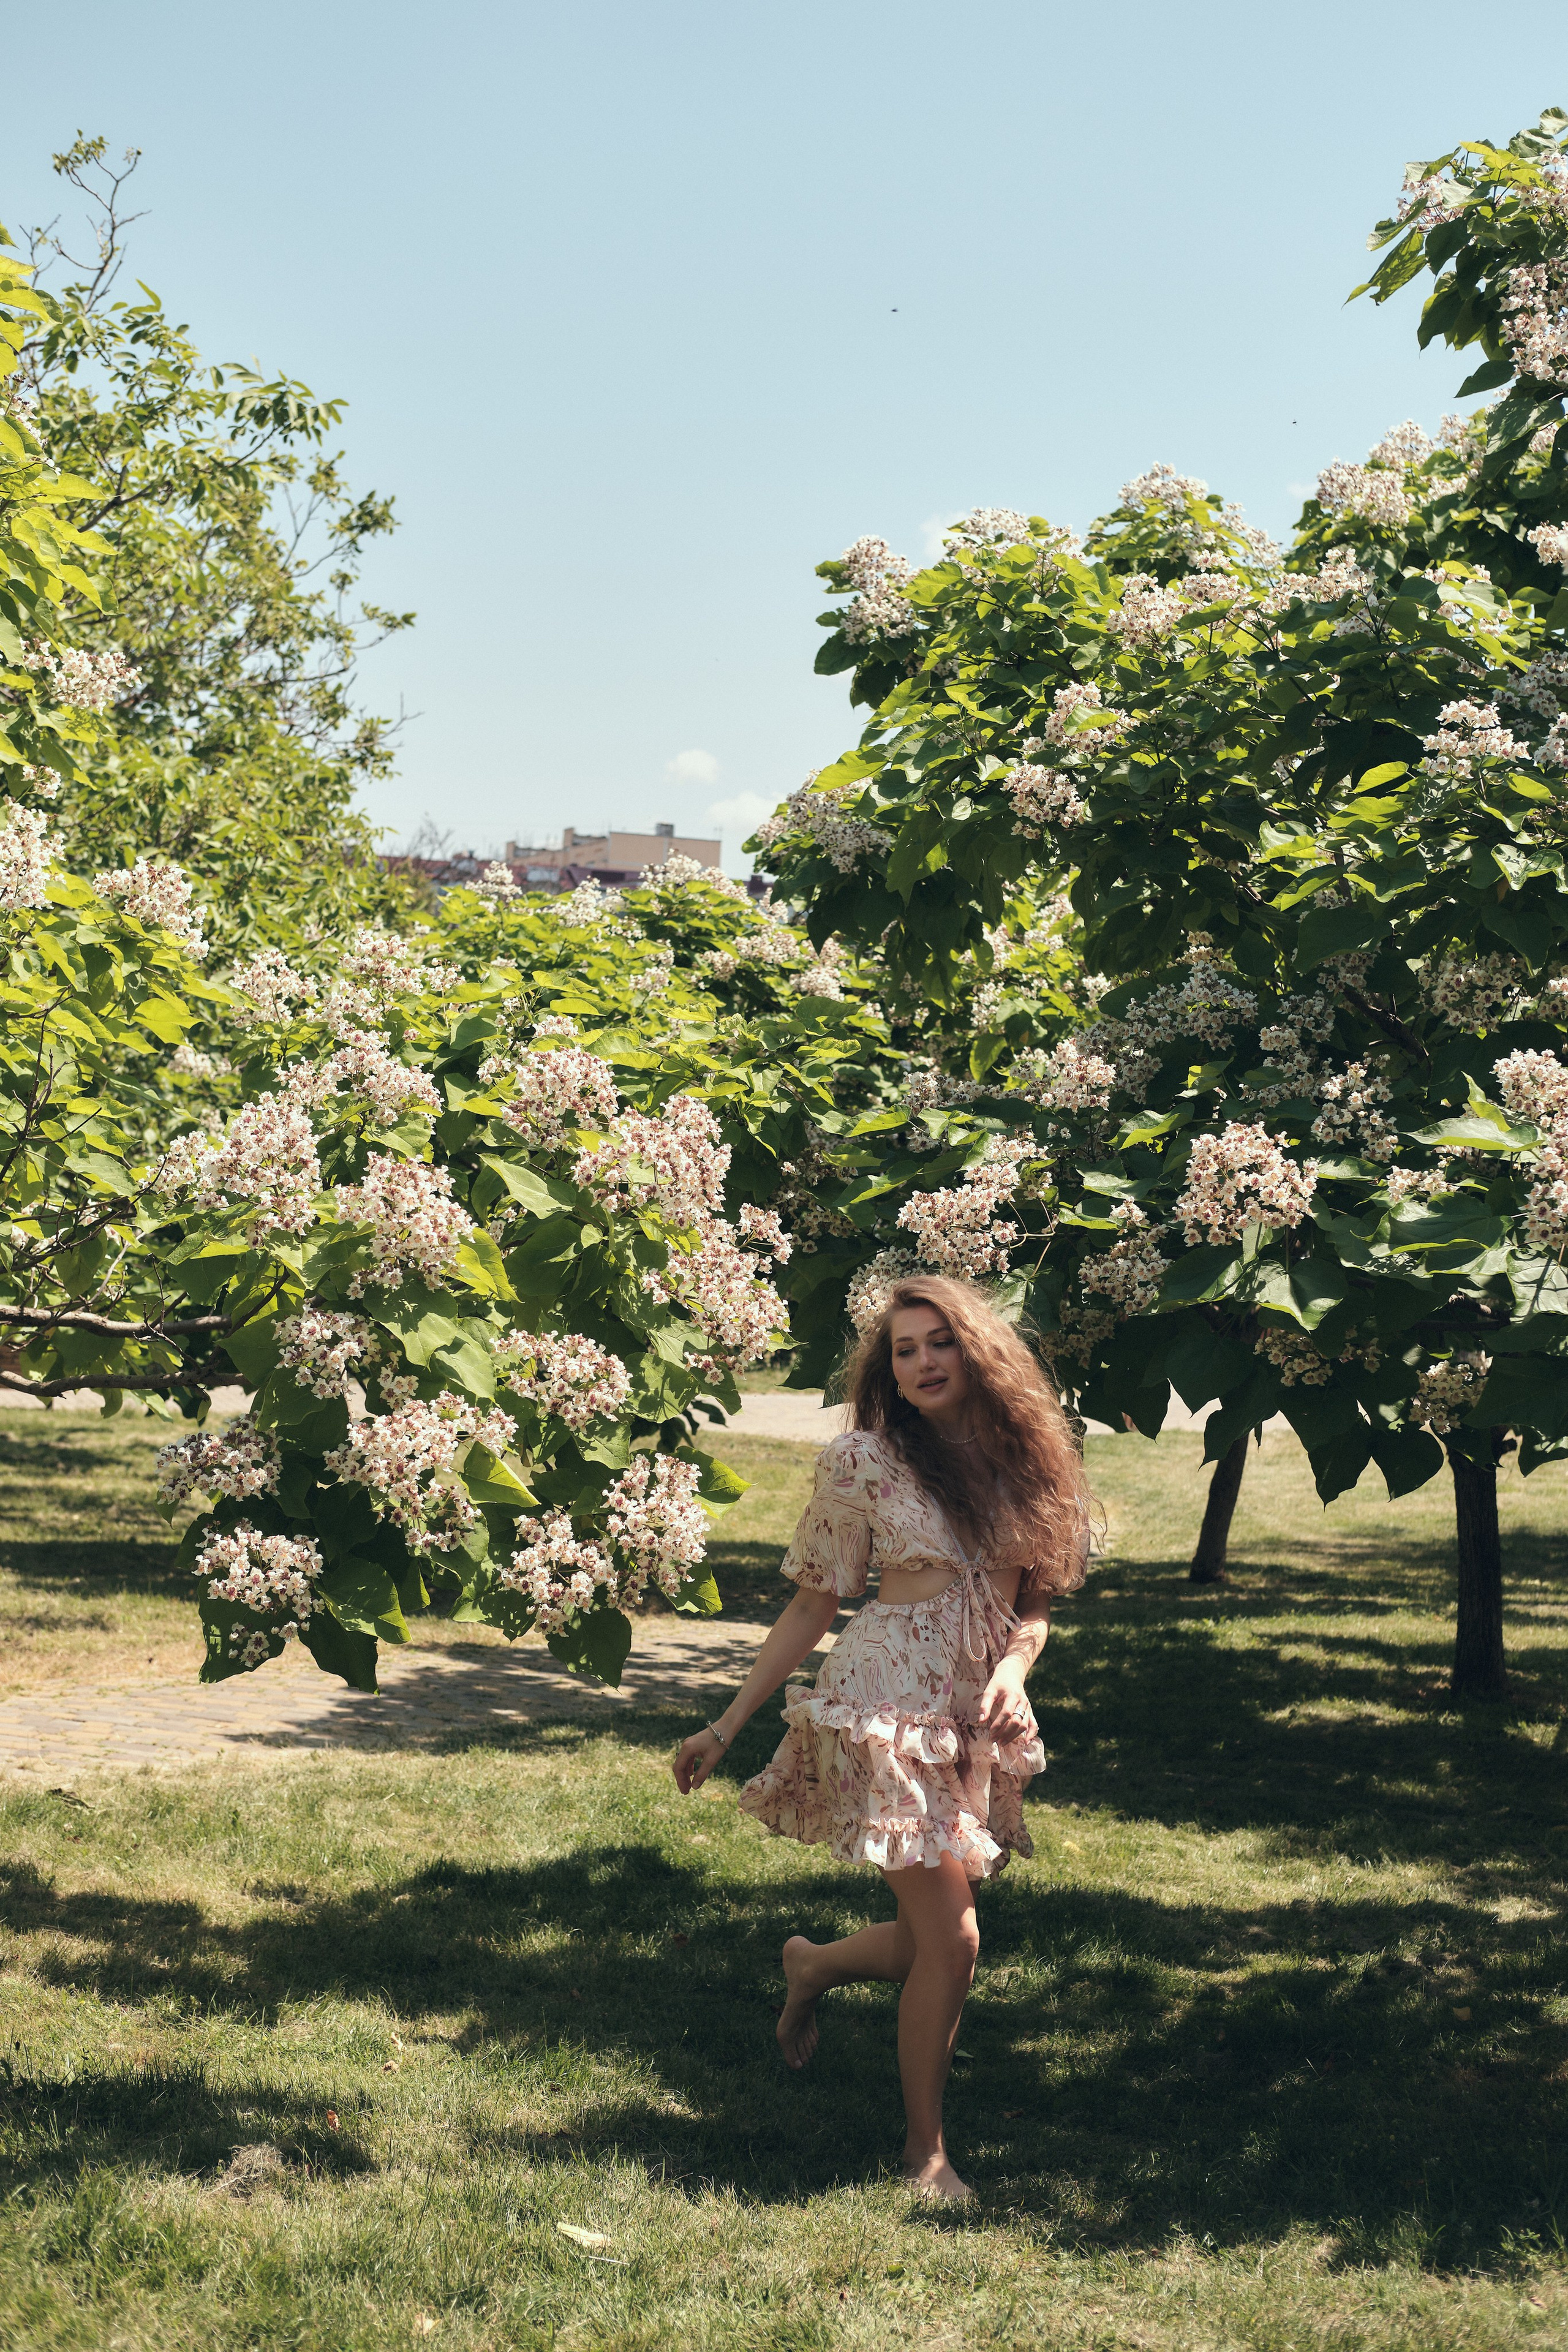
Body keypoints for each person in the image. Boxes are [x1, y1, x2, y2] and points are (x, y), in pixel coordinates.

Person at [672, 1273, 1091, 2203]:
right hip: (883, 1708)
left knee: (927, 1941)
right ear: (888, 1374)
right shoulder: (864, 1462)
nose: (924, 1361)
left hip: (967, 1717)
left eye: (939, 1341)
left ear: (978, 1349)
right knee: (957, 1942)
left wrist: (1015, 1675)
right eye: (904, 1350)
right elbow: (815, 1602)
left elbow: (1035, 1605)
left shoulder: (1030, 1460)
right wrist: (725, 1724)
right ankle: (924, 2155)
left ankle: (813, 1964)